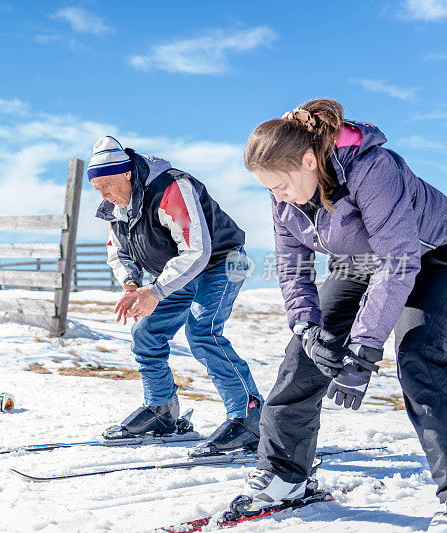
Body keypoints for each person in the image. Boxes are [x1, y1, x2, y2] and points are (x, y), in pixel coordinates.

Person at [231, 99, 447, 528]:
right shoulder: (285, 202)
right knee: (305, 354)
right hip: (363, 263)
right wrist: (307, 326)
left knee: (419, 356)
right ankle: (283, 474)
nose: (278, 196)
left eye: (281, 184)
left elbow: (399, 259)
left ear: (309, 160)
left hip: (432, 256)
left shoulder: (372, 168)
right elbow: (293, 266)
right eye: (268, 189)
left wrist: (365, 348)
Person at [89, 135, 264, 455]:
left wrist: (154, 291)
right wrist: (130, 282)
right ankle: (162, 411)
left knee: (203, 331)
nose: (103, 194)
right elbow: (117, 252)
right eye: (97, 187)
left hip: (222, 261)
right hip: (178, 271)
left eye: (108, 184)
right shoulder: (114, 209)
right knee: (146, 332)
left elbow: (197, 250)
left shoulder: (171, 188)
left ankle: (250, 417)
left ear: (127, 173)